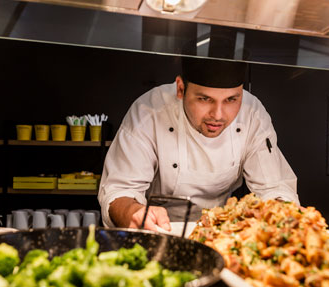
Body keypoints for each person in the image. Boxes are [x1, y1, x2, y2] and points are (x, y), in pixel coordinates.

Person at [98, 57, 299, 230]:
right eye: (204, 99)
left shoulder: (252, 114)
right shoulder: (149, 111)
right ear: (180, 88)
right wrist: (133, 212)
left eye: (231, 99)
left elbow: (274, 186)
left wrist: (283, 217)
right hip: (157, 230)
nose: (218, 115)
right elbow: (120, 190)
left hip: (220, 231)